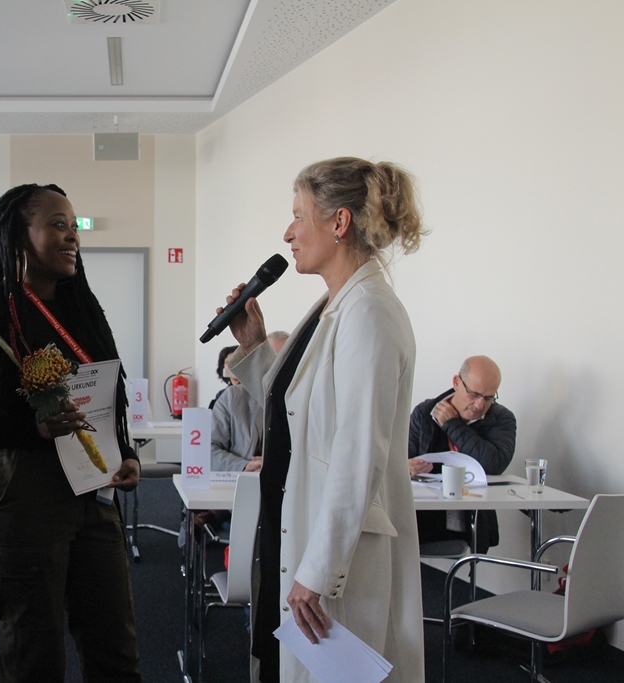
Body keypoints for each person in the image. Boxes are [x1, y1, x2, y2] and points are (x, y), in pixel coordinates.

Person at [224, 157, 426, 683]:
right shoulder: (334, 304)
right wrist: (254, 346)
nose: (288, 233)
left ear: (339, 222)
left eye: (299, 216)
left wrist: (317, 572)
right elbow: (299, 412)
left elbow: (358, 456)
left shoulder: (368, 312)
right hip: (297, 525)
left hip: (334, 554)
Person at [0, 184, 142, 683]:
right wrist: (32, 430)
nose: (72, 236)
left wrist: (126, 452)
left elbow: (105, 396)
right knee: (35, 656)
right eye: (57, 224)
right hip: (22, 492)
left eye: (73, 226)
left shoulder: (84, 310)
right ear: (17, 236)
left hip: (94, 492)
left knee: (115, 649)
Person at [408, 356, 516, 553]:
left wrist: (452, 425)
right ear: (457, 383)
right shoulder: (424, 413)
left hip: (471, 520)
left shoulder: (501, 419)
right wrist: (408, 466)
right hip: (420, 517)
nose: (479, 405)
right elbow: (398, 460)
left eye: (489, 398)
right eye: (474, 394)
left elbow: (494, 464)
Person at [209, 344, 238, 409]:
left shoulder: (255, 393)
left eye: (236, 361)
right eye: (228, 362)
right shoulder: (222, 394)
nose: (232, 365)